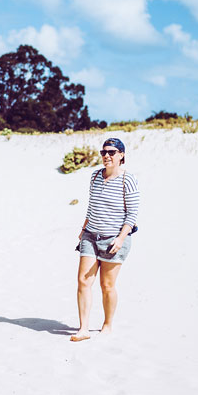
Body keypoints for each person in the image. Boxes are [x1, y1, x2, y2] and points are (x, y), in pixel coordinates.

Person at [71, 137, 139, 342]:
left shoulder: (128, 179)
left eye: (111, 152)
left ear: (121, 155)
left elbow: (132, 214)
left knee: (107, 285)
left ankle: (107, 325)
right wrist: (83, 229)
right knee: (83, 281)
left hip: (113, 240)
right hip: (91, 236)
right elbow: (92, 207)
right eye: (103, 152)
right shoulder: (95, 176)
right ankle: (83, 329)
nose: (106, 156)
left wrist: (120, 239)